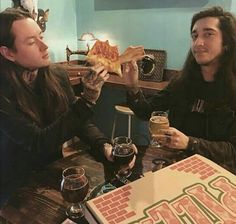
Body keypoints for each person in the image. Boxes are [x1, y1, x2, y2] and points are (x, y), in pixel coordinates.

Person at [0, 8, 140, 207]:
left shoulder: (56, 75)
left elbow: (78, 122)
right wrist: (87, 100)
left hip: (54, 172)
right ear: (8, 53)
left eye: (41, 36)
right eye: (32, 42)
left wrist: (104, 146)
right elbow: (39, 142)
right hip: (14, 186)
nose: (44, 45)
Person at [123, 6, 236, 174]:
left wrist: (190, 143)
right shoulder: (182, 82)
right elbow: (145, 112)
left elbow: (232, 151)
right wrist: (132, 86)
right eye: (195, 35)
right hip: (177, 166)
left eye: (208, 34)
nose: (198, 43)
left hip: (218, 174)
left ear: (226, 43)